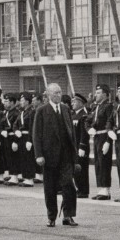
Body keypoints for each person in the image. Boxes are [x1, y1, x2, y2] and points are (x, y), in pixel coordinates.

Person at [31, 82, 81, 227]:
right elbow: (36, 135)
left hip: (66, 156)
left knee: (69, 186)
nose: (58, 95)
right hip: (49, 156)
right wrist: (38, 154)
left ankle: (68, 215)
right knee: (50, 188)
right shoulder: (41, 111)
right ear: (48, 95)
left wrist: (74, 157)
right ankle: (51, 216)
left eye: (60, 92)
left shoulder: (65, 109)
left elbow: (72, 134)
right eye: (55, 93)